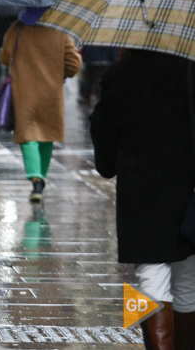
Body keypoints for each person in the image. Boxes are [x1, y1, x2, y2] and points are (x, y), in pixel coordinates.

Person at [89, 49, 195, 350]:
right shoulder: (190, 70)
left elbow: (104, 134)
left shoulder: (120, 74)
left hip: (143, 192)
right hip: (189, 189)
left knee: (150, 275)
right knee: (188, 278)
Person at [0, 6, 81, 202]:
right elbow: (74, 64)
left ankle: (36, 179)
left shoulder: (16, 29)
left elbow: (4, 58)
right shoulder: (59, 31)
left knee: (28, 136)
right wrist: (59, 74)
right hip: (51, 93)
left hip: (23, 91)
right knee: (47, 135)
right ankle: (40, 177)